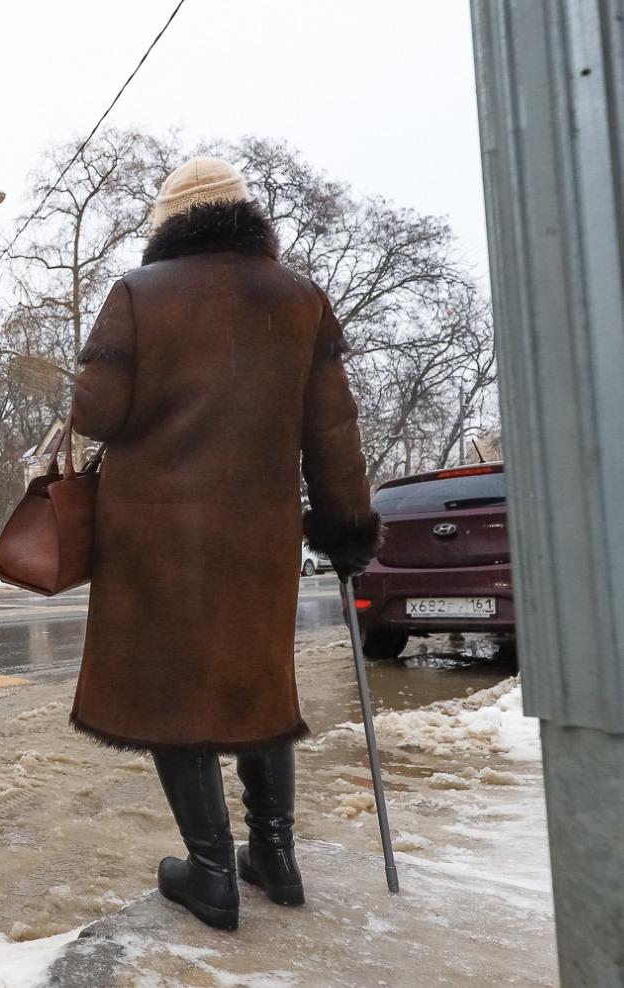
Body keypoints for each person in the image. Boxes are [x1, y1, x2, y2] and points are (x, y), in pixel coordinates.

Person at [69, 157, 379, 931]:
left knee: (178, 692)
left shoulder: (140, 295)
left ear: (168, 223)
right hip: (259, 535)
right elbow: (334, 432)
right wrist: (345, 529)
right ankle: (275, 856)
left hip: (157, 535)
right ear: (245, 217)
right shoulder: (301, 300)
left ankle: (210, 873)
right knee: (256, 683)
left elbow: (97, 413)